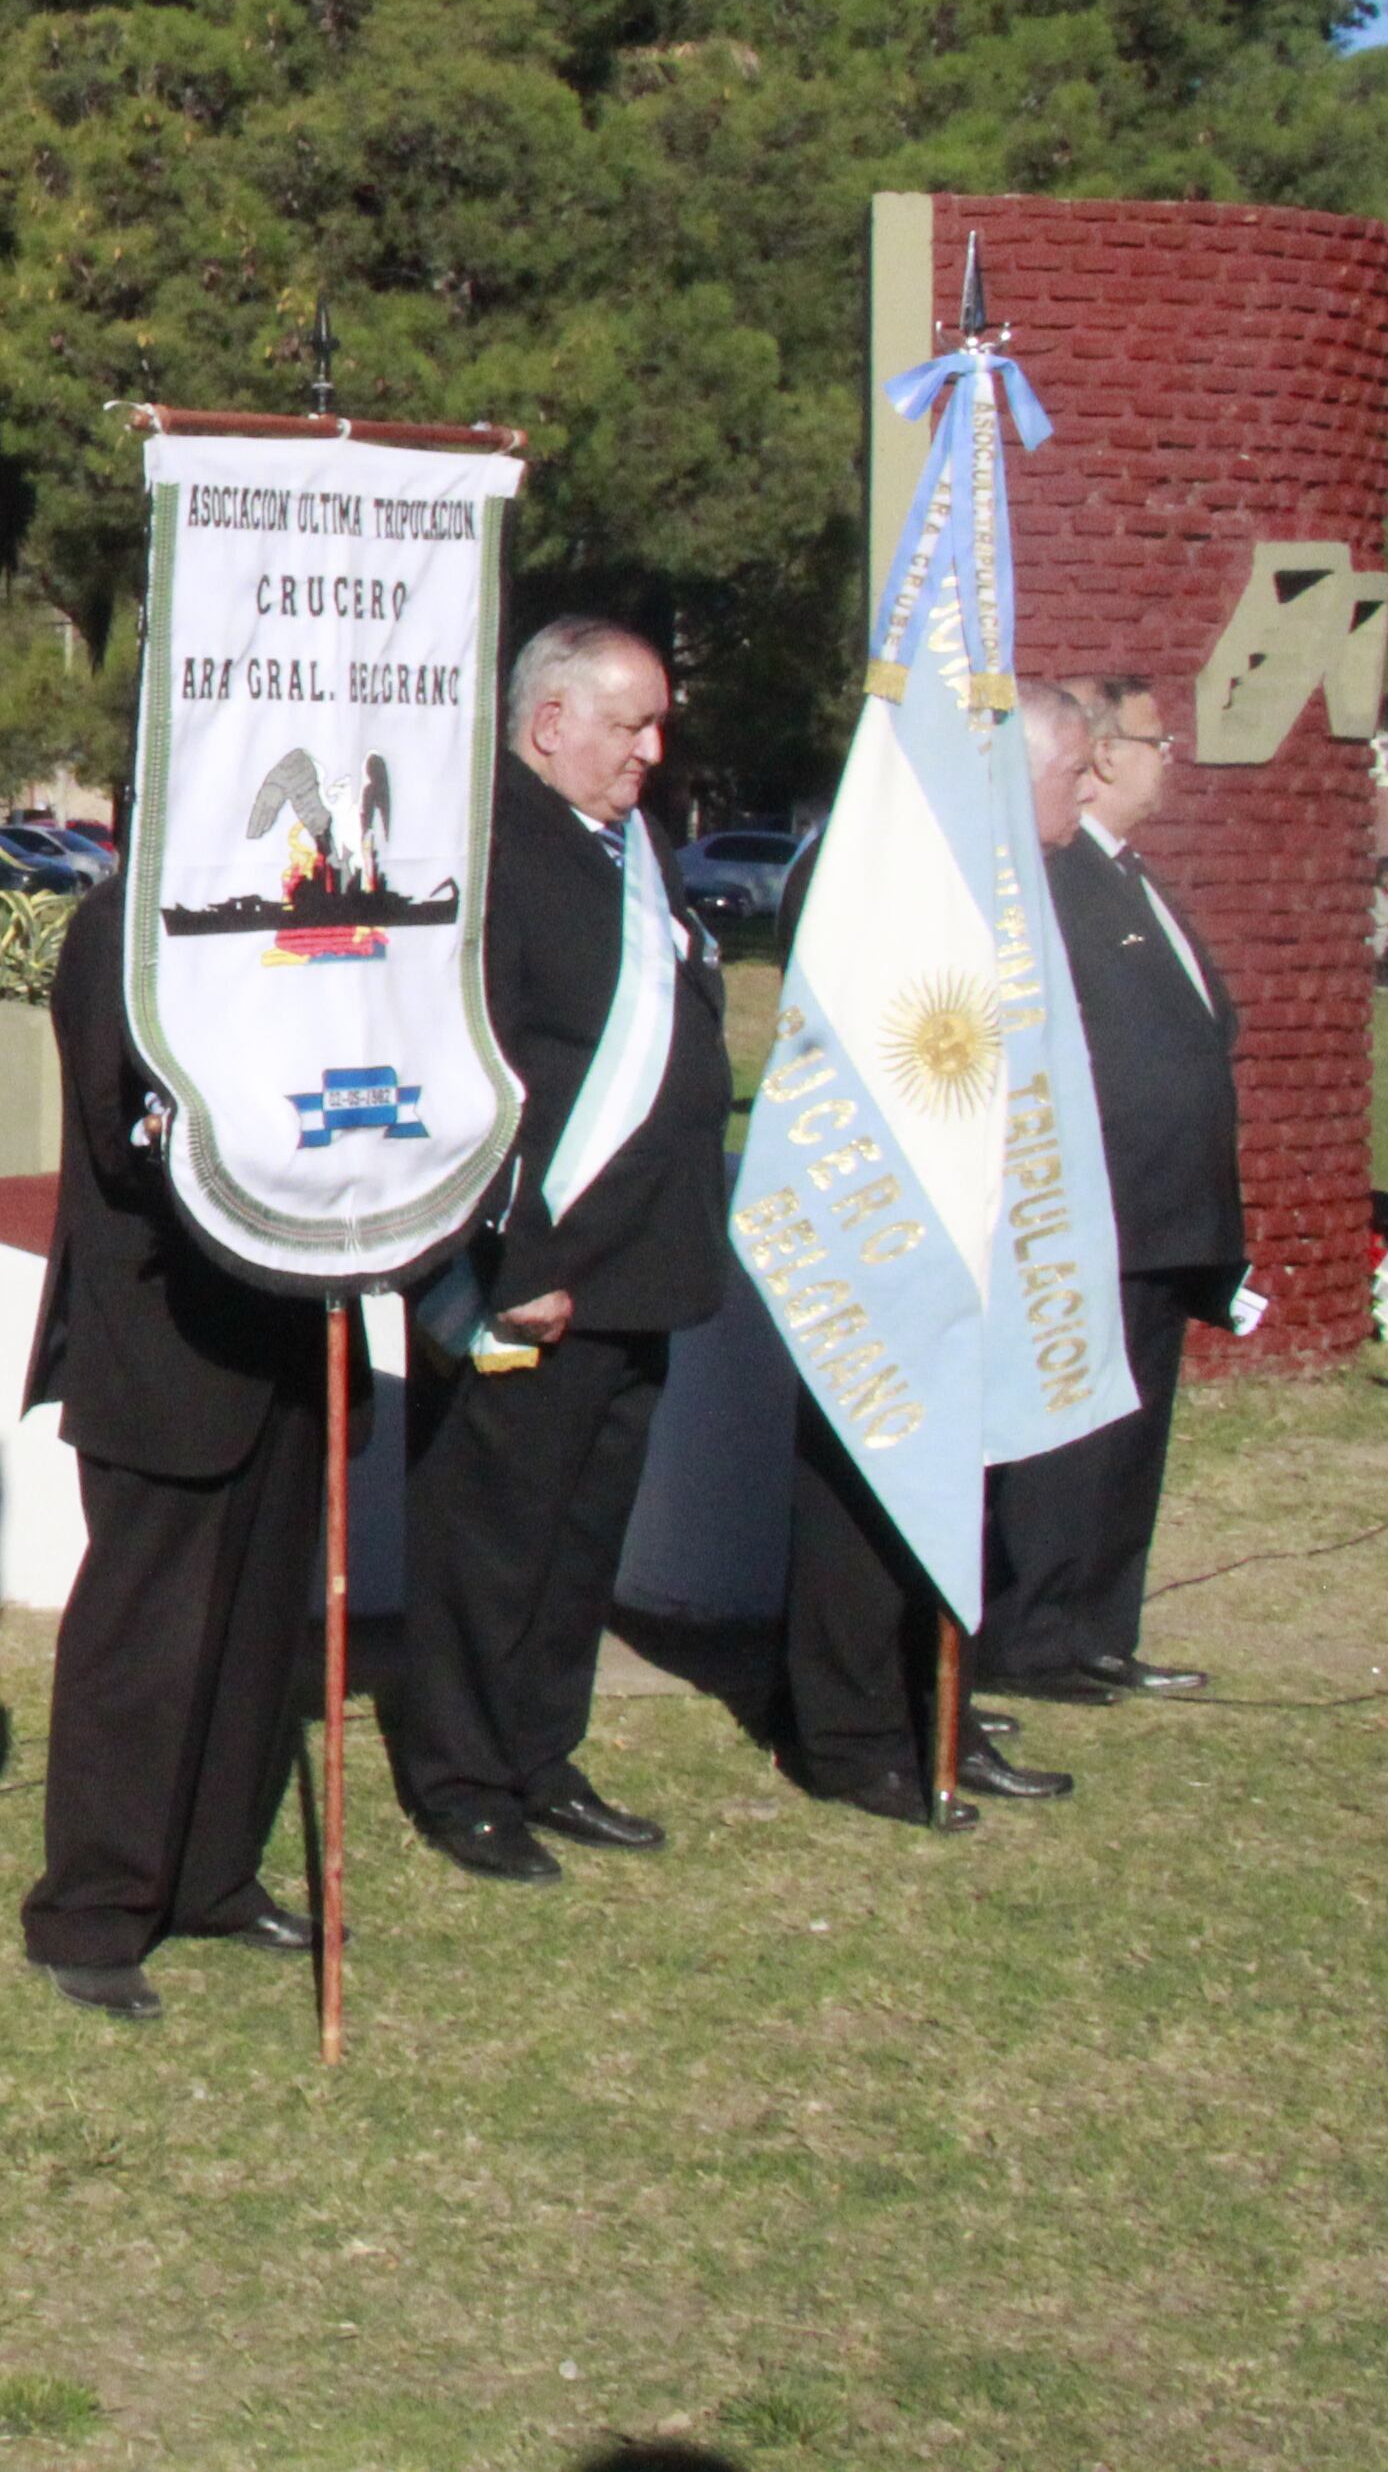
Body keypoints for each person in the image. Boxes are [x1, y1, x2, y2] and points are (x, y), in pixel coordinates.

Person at [386, 617, 729, 1885]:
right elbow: (468, 1070)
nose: (652, 749)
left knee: (580, 1535)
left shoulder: (632, 848)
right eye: (630, 722)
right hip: (534, 1276)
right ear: (549, 725)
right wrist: (514, 1263)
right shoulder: (491, 851)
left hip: (638, 1268)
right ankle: (461, 1776)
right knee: (491, 1534)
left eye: (654, 724)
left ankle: (539, 1750)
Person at [18, 870, 333, 2022]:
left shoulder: (279, 918)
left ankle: (208, 1876)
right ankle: (93, 1907)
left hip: (281, 1324)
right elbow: (122, 1133)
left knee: (255, 1625)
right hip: (161, 1335)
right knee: (142, 1635)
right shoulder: (123, 921)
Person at [774, 680, 1087, 1826]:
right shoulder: (877, 870)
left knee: (959, 1495)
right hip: (878, 1231)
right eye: (1072, 771)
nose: (1087, 792)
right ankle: (850, 1735)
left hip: (981, 1234)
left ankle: (938, 1708)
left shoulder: (1006, 883)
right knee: (864, 1499)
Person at [991, 672, 1238, 1707]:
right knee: (1071, 1444)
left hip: (1165, 1212)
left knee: (1132, 1440)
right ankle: (1034, 1634)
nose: (1164, 756)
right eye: (1150, 738)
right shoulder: (1053, 879)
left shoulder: (1126, 875)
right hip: (1096, 1206)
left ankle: (1100, 1623)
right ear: (1095, 757)